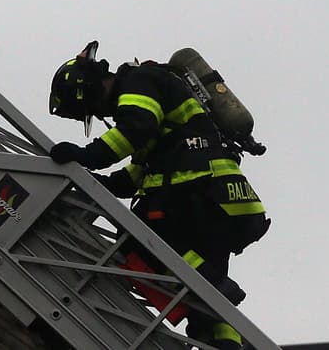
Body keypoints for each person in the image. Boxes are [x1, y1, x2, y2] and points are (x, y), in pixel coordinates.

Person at [47, 43, 270, 350]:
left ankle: (215, 284)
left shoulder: (137, 82)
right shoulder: (155, 92)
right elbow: (140, 170)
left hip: (197, 191)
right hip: (225, 202)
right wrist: (99, 183)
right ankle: (225, 342)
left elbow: (136, 129)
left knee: (139, 235)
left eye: (91, 108)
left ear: (86, 90)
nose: (99, 113)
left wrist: (87, 155)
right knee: (205, 305)